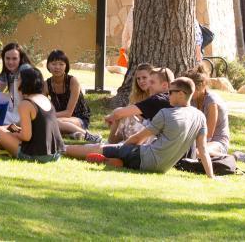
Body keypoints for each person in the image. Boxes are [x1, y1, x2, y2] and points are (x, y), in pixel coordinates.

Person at [65, 77, 214, 177]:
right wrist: (211, 177)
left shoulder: (166, 113)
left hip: (145, 159)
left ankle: (62, 148)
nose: (168, 96)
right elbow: (203, 149)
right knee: (123, 152)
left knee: (102, 147)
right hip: (163, 168)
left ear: (181, 94)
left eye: (170, 92)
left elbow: (138, 138)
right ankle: (119, 161)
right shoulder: (200, 116)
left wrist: (121, 148)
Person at [0, 66, 64, 162]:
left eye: (18, 79)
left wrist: (13, 134)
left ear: (24, 83)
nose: (16, 82)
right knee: (4, 131)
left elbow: (26, 137)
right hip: (56, 155)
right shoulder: (45, 99)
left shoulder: (26, 104)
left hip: (37, 156)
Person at [45, 49, 101, 143]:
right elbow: (46, 108)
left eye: (61, 64)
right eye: (54, 64)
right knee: (49, 123)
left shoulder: (73, 81)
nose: (57, 67)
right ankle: (74, 134)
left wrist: (47, 116)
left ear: (66, 66)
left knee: (53, 122)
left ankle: (89, 136)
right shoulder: (46, 84)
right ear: (48, 66)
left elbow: (68, 113)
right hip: (59, 118)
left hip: (79, 118)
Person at [106, 66, 172, 142]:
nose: (148, 85)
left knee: (122, 115)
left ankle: (110, 145)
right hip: (159, 141)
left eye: (152, 82)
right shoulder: (170, 98)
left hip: (154, 143)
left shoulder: (157, 100)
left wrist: (112, 116)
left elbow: (118, 113)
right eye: (138, 78)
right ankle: (112, 144)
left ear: (164, 85)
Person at [184, 69, 229, 158]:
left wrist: (193, 145)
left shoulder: (212, 101)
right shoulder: (191, 100)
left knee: (197, 152)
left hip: (216, 141)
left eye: (189, 89)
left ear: (201, 86)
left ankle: (231, 157)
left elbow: (209, 135)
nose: (186, 92)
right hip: (198, 141)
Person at [0, 42, 31, 126]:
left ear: (20, 58)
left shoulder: (25, 69)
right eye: (7, 58)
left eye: (14, 58)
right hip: (14, 107)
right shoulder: (7, 72)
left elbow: (27, 99)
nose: (10, 62)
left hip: (25, 110)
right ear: (3, 58)